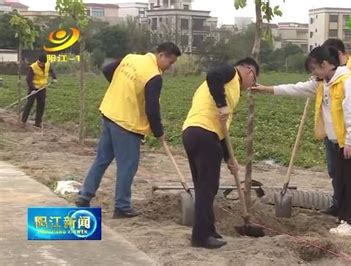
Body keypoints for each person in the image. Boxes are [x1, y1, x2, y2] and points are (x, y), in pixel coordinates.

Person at [253, 46, 351, 235]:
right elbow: (296, 89)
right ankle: (346, 217)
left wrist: (349, 142)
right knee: (341, 180)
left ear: (325, 64)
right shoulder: (324, 83)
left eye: (314, 68)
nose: (313, 73)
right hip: (337, 140)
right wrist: (268, 89)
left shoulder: (346, 82)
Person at [75, 42, 181, 219]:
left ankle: (84, 196)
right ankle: (122, 207)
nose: (169, 68)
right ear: (161, 55)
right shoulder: (153, 76)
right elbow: (152, 108)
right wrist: (159, 132)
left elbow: (108, 70)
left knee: (102, 159)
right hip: (127, 123)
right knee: (127, 166)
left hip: (109, 113)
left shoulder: (131, 58)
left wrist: (122, 88)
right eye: (170, 63)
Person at [182, 57, 259, 248]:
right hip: (203, 132)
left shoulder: (232, 89)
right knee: (207, 188)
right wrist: (222, 104)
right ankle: (200, 237)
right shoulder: (231, 74)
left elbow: (223, 130)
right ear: (249, 71)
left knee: (204, 186)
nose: (252, 85)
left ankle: (208, 229)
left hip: (196, 132)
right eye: (254, 80)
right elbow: (213, 74)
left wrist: (229, 158)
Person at [22, 54, 58, 128]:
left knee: (41, 105)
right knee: (29, 104)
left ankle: (38, 122)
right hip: (33, 88)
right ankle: (23, 120)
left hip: (42, 87)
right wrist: (33, 89)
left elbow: (52, 70)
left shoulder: (48, 64)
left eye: (43, 63)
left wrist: (54, 78)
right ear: (38, 61)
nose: (41, 64)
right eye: (40, 63)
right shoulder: (33, 67)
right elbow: (28, 79)